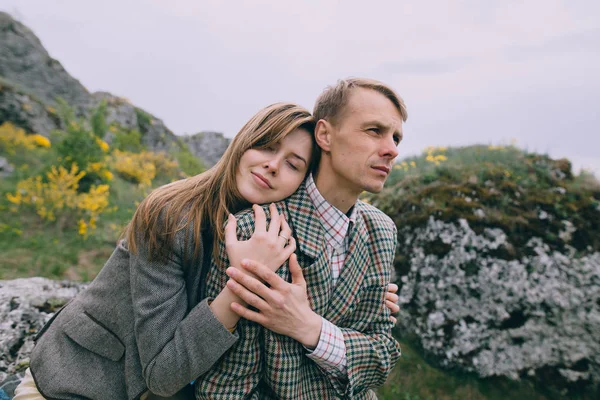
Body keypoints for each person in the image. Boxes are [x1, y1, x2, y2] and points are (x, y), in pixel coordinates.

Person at [14, 102, 399, 400]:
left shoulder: (270, 228)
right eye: (264, 146)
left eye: (294, 164)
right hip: (80, 379)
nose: (272, 166)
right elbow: (163, 372)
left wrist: (367, 294)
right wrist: (244, 280)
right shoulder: (169, 215)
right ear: (241, 144)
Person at [195, 78, 407, 399]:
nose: (391, 149)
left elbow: (383, 357)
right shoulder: (256, 232)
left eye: (396, 137)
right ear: (325, 135)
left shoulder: (381, 229)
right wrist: (348, 346)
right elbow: (227, 388)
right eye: (374, 131)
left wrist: (312, 330)